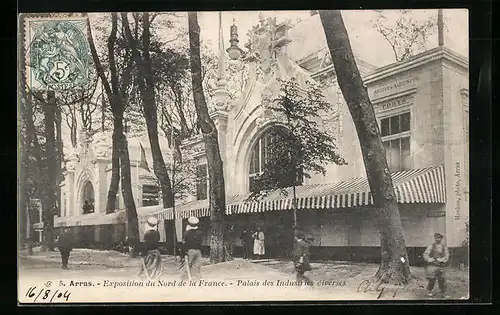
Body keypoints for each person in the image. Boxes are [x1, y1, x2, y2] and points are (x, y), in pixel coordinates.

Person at [423, 232, 450, 298]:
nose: (437, 239)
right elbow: (425, 254)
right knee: (432, 279)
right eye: (436, 238)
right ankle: (429, 291)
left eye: (439, 238)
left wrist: (442, 259)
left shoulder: (444, 247)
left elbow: (447, 256)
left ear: (441, 239)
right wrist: (429, 259)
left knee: (442, 279)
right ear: (435, 238)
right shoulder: (431, 246)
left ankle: (443, 293)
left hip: (441, 265)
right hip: (432, 265)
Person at [182, 216, 203, 281]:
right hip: (198, 251)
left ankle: (186, 278)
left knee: (188, 265)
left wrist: (184, 252)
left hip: (190, 251)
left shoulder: (187, 233)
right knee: (197, 266)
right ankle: (196, 278)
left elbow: (184, 243)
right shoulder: (200, 233)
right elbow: (200, 242)